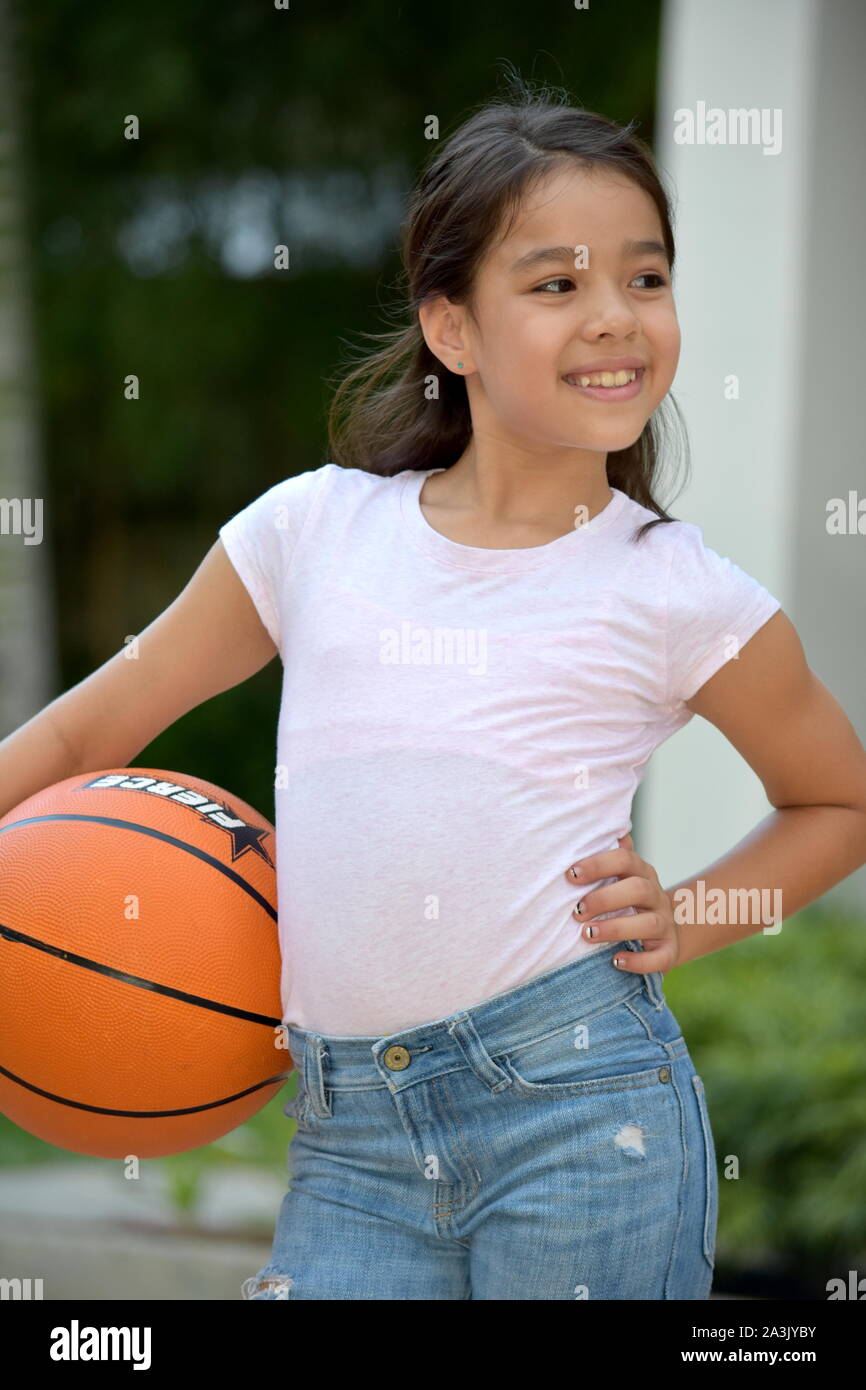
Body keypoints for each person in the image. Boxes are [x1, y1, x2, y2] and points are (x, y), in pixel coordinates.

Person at [4, 82, 865, 1301]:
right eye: (557, 284)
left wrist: (692, 911)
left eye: (645, 277)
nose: (615, 317)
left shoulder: (671, 587)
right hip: (350, 1142)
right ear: (451, 328)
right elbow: (99, 724)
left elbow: (835, 798)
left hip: (585, 1121)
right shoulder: (311, 533)